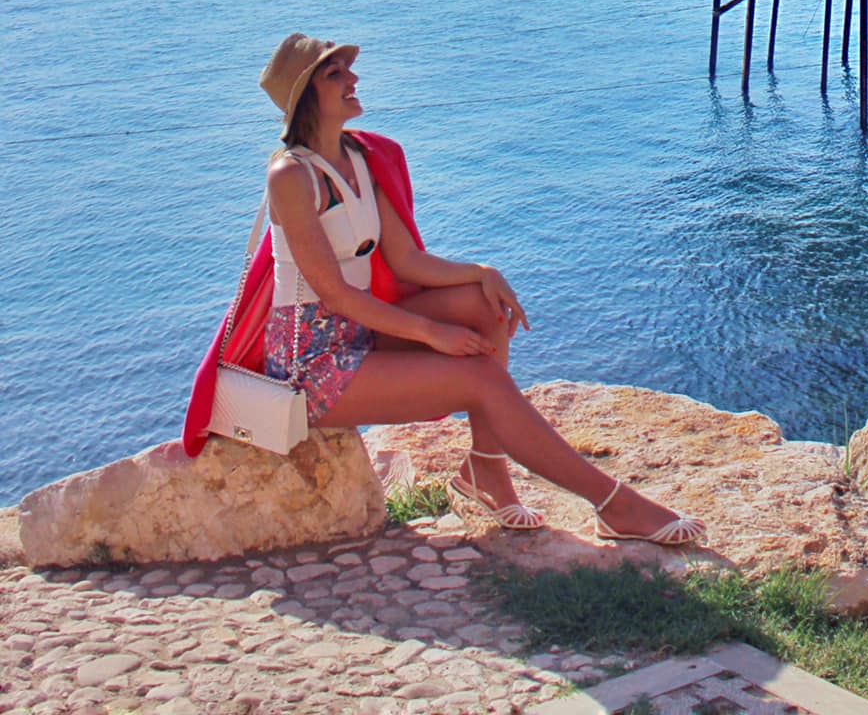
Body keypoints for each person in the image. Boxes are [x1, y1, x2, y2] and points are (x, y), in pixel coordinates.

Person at [183, 34, 703, 547]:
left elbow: (406, 260)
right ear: (305, 98)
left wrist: (482, 272)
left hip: (363, 333)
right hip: (313, 364)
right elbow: (335, 294)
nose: (354, 79)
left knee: (486, 308)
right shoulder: (290, 176)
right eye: (335, 73)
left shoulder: (360, 157)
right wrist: (432, 334)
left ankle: (486, 472)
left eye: (348, 69)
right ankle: (614, 505)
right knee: (482, 381)